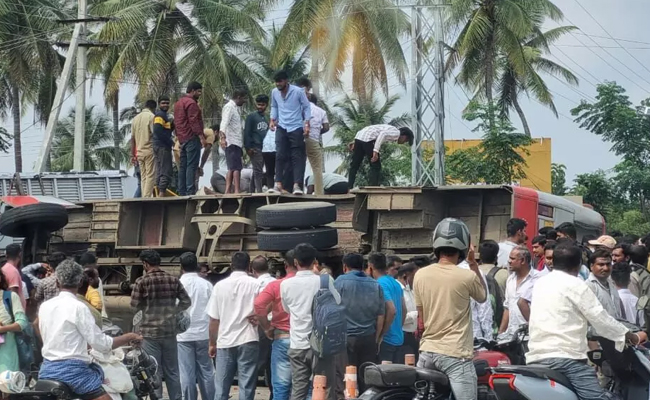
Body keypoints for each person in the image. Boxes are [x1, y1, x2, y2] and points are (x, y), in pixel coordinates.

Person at [526, 243, 646, 400]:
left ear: (553, 262)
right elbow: (601, 319)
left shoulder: (541, 283)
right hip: (566, 359)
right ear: (580, 265)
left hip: (535, 358)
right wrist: (632, 337)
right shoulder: (577, 285)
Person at [39, 260, 141, 400]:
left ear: (57, 282)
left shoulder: (45, 306)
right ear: (81, 283)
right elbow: (102, 344)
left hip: (46, 369)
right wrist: (129, 336)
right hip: (74, 373)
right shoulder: (79, 307)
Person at [413, 218, 487, 400]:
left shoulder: (420, 275)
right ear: (464, 246)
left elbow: (421, 320)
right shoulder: (466, 276)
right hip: (455, 354)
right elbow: (483, 296)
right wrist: (473, 263)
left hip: (427, 354)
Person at [280, 243, 340, 400]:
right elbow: (337, 303)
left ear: (295, 262)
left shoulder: (285, 284)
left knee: (298, 389)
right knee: (324, 387)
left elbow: (287, 309)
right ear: (315, 261)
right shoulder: (325, 281)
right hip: (321, 344)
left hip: (298, 343)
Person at [131, 250, 191, 400]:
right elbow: (186, 301)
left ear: (145, 263)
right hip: (170, 333)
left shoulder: (141, 281)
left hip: (149, 334)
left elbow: (134, 305)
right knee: (172, 371)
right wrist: (173, 312)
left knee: (153, 371)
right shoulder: (173, 280)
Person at [207, 252, 259, 400]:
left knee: (221, 387)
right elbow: (265, 309)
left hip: (225, 341)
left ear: (231, 266)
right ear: (249, 266)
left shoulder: (219, 286)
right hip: (249, 339)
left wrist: (212, 343)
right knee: (247, 385)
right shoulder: (256, 284)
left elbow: (214, 319)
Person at [334, 253, 385, 387]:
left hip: (345, 338)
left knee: (346, 379)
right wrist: (377, 338)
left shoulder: (339, 282)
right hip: (368, 337)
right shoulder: (375, 285)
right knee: (366, 379)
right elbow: (381, 315)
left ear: (345, 267)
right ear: (363, 266)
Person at [255, 250, 296, 400]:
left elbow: (259, 305)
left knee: (281, 386)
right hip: (305, 340)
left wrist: (266, 327)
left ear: (286, 265)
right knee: (304, 385)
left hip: (282, 337)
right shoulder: (314, 283)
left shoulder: (277, 285)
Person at [175, 252, 215, 400]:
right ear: (196, 266)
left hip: (183, 336)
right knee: (207, 371)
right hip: (204, 334)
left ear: (181, 267)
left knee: (186, 373)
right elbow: (213, 311)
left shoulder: (177, 285)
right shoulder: (207, 285)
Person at [268, 70, 312, 195]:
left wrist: (307, 123)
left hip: (296, 127)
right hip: (281, 126)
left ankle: (297, 185)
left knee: (297, 157)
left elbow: (306, 107)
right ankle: (278, 184)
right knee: (280, 155)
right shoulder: (274, 92)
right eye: (276, 82)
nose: (278, 84)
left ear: (286, 81)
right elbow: (274, 106)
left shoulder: (298, 92)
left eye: (280, 82)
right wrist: (272, 119)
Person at [348, 125, 414, 188]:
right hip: (368, 138)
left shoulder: (390, 129)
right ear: (404, 136)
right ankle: (373, 188)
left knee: (355, 164)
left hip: (359, 136)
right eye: (406, 140)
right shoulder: (396, 133)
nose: (404, 142)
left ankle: (349, 187)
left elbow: (372, 132)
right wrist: (375, 151)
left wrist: (356, 143)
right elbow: (383, 134)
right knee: (376, 165)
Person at [368, 252, 405, 364]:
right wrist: (398, 327)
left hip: (386, 340)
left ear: (371, 267)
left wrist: (381, 335)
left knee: (383, 377)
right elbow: (404, 309)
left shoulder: (379, 284)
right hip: (398, 338)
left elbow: (392, 310)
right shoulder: (396, 283)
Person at [174, 81, 207, 196]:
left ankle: (182, 191)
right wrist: (201, 136)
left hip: (182, 138)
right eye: (198, 92)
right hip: (191, 137)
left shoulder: (178, 103)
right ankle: (190, 191)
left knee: (183, 166)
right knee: (191, 166)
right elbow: (193, 121)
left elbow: (177, 122)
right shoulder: (191, 103)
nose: (199, 94)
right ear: (192, 91)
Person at [499, 246, 537, 337]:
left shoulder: (537, 279)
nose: (509, 261)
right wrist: (501, 332)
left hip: (529, 335)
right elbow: (507, 307)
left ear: (523, 261)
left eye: (512, 259)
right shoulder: (510, 279)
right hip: (511, 334)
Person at [0, 265, 29, 372]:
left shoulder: (10, 297)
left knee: (7, 385)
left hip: (7, 355)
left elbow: (22, 323)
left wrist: (3, 329)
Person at [220, 89, 248, 194]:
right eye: (244, 98)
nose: (244, 101)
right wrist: (223, 138)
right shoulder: (229, 107)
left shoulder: (235, 109)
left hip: (236, 142)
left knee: (232, 168)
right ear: (239, 97)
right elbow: (224, 123)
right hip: (231, 142)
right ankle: (236, 190)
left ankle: (228, 190)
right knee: (236, 168)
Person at [586, 248, 624, 320]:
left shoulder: (612, 283)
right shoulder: (589, 286)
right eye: (601, 265)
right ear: (591, 266)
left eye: (608, 264)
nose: (606, 268)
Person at [245, 95, 270, 193]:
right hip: (255, 147)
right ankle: (259, 192)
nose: (260, 107)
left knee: (258, 171)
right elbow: (247, 133)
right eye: (258, 104)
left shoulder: (268, 117)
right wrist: (248, 148)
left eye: (262, 105)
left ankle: (251, 191)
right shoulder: (251, 117)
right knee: (258, 171)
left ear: (266, 105)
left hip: (266, 148)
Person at [131, 100, 157, 198]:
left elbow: (132, 138)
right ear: (154, 108)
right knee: (150, 176)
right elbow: (154, 134)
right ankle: (146, 198)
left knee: (143, 177)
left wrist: (132, 154)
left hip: (139, 152)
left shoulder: (135, 119)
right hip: (149, 150)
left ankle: (143, 197)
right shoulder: (151, 117)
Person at [305, 94, 329, 195]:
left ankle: (295, 189)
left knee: (297, 165)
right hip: (313, 140)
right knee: (317, 168)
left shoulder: (301, 108)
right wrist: (317, 132)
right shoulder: (321, 111)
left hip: (298, 138)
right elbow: (327, 127)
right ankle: (319, 193)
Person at [396, 262, 419, 360]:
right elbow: (399, 317)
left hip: (412, 334)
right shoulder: (397, 289)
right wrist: (418, 314)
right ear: (406, 276)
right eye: (414, 276)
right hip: (403, 334)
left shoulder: (410, 289)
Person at [153, 95, 174, 197]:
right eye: (163, 103)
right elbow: (157, 130)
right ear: (159, 104)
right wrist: (170, 142)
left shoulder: (164, 116)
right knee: (165, 170)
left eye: (167, 103)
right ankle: (161, 194)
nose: (165, 105)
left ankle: (159, 194)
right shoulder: (160, 115)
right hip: (162, 146)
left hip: (159, 146)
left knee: (160, 170)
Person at [612, 262, 644, 327]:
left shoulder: (611, 300)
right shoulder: (638, 301)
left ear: (612, 280)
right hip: (637, 334)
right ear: (629, 280)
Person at [79, 252, 107, 318]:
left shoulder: (76, 278)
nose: (95, 266)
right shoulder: (96, 280)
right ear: (87, 265)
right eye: (94, 265)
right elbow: (98, 302)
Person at [2, 244, 26, 309]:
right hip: (15, 313)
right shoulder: (13, 271)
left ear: (6, 255)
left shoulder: (4, 269)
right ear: (20, 254)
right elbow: (13, 295)